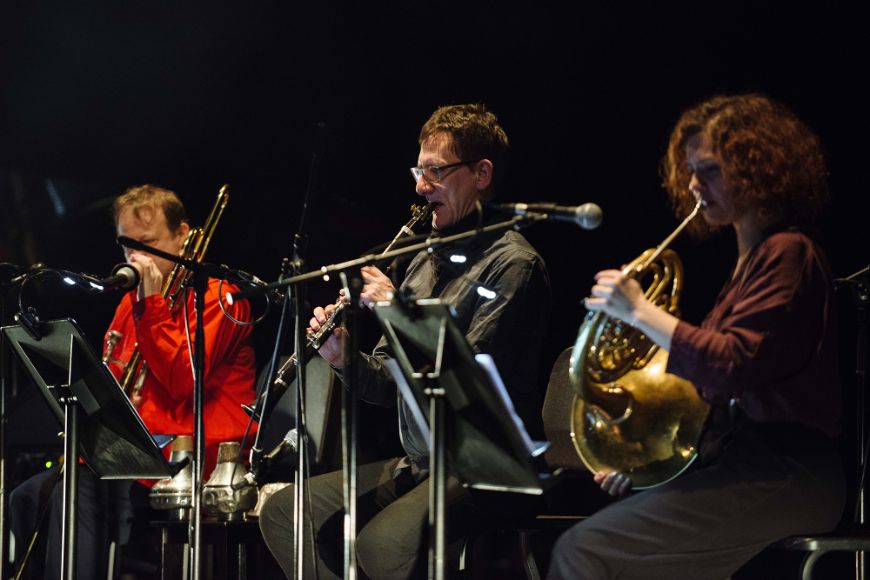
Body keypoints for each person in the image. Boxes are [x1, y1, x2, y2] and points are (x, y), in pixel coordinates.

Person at [547, 94, 846, 580]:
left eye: (707, 170)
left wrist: (639, 311)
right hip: (747, 470)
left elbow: (729, 366)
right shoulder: (749, 266)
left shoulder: (790, 253)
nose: (692, 184)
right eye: (689, 170)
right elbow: (701, 402)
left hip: (788, 473)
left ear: (757, 170)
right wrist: (644, 460)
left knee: (584, 552)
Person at [259, 103, 552, 579]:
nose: (420, 186)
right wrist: (343, 359)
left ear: (481, 173)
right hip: (423, 462)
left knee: (381, 546)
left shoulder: (514, 265)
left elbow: (467, 381)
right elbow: (386, 385)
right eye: (420, 169)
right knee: (284, 513)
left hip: (492, 466)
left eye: (435, 170)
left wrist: (398, 311)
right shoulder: (422, 259)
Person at [8, 184, 257, 579]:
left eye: (148, 243)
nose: (136, 258)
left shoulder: (221, 298)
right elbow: (113, 384)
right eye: (128, 246)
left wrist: (153, 305)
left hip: (196, 458)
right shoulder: (132, 303)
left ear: (183, 236)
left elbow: (181, 382)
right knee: (28, 495)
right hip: (138, 460)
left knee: (79, 492)